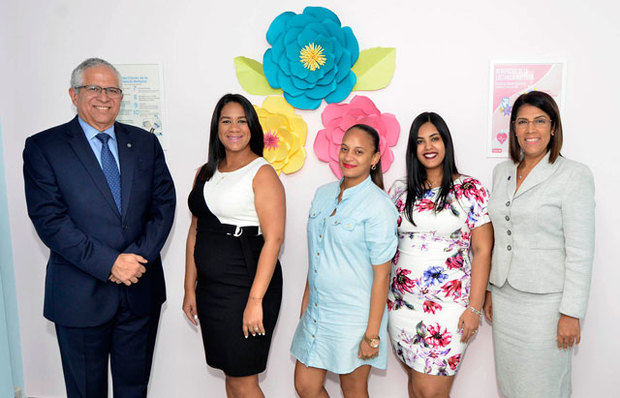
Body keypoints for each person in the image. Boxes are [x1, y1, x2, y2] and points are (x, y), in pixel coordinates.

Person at [22, 58, 176, 397]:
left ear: (121, 97)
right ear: (73, 95)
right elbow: (50, 220)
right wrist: (110, 264)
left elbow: (163, 206)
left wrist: (135, 259)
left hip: (139, 290)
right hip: (80, 295)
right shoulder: (45, 147)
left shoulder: (145, 143)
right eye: (93, 88)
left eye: (112, 90)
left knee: (134, 389)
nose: (103, 97)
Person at [483, 91, 595, 397]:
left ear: (554, 127)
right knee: (511, 385)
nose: (530, 129)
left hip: (548, 305)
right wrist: (491, 289)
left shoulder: (574, 175)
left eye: (539, 121)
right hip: (505, 301)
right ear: (514, 129)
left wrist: (571, 313)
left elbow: (581, 252)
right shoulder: (501, 172)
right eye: (522, 122)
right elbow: (499, 234)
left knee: (544, 387)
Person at [183, 94, 284, 398]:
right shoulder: (205, 172)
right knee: (231, 376)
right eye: (226, 120)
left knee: (244, 380)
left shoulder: (262, 173)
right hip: (211, 290)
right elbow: (194, 231)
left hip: (246, 285)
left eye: (241, 120)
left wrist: (255, 301)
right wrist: (190, 287)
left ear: (252, 127)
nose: (234, 127)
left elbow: (274, 240)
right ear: (217, 127)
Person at [387, 112, 494, 397]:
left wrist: (474, 308)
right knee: (417, 389)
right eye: (420, 141)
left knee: (430, 392)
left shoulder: (470, 189)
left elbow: (483, 250)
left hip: (448, 310)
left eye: (434, 138)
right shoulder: (399, 190)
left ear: (446, 142)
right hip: (401, 306)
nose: (428, 147)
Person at [291, 124, 398, 398]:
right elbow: (317, 252)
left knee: (353, 390)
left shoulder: (379, 205)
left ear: (374, 159)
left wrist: (372, 334)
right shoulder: (323, 194)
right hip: (318, 311)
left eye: (359, 151)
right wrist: (306, 298)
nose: (349, 157)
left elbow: (382, 275)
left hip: (355, 317)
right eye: (345, 149)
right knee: (306, 386)